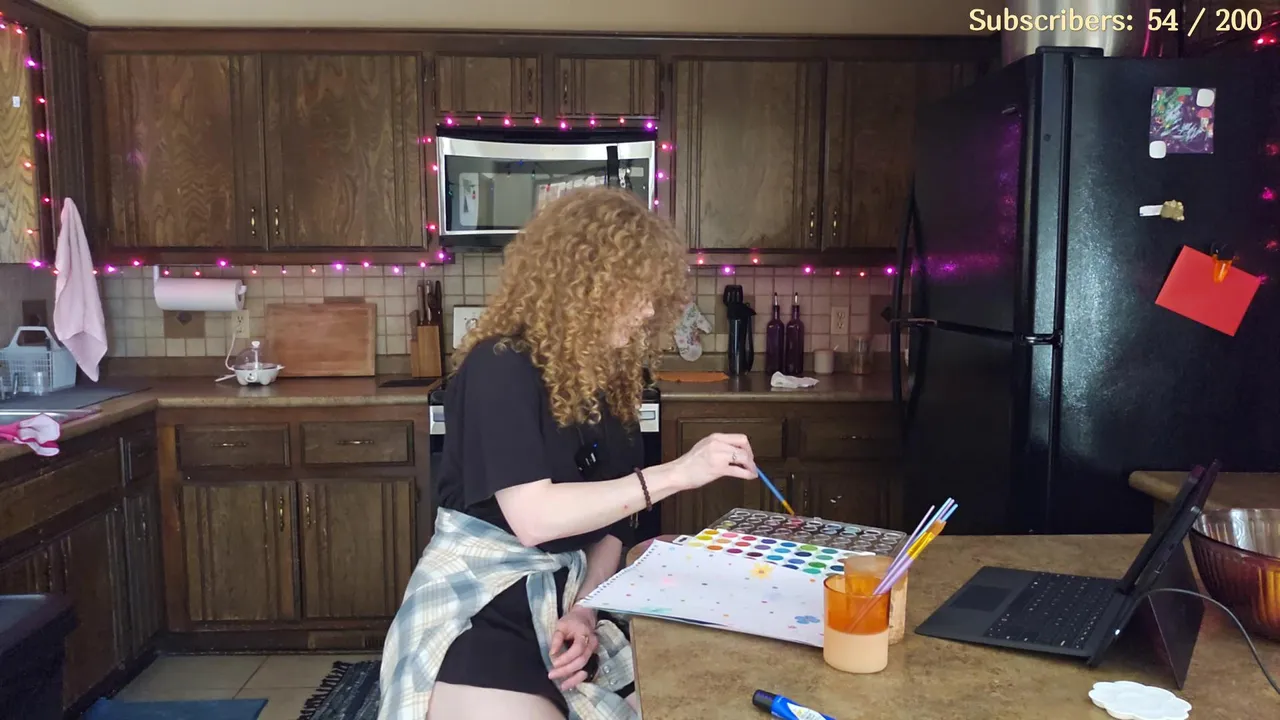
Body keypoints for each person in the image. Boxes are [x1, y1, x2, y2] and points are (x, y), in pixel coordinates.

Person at [378, 187, 759, 720]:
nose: (649, 309)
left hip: (566, 594)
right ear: (584, 285)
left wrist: (584, 609)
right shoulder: (499, 365)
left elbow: (615, 525)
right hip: (480, 601)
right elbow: (533, 518)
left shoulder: (612, 378)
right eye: (636, 291)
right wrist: (677, 473)